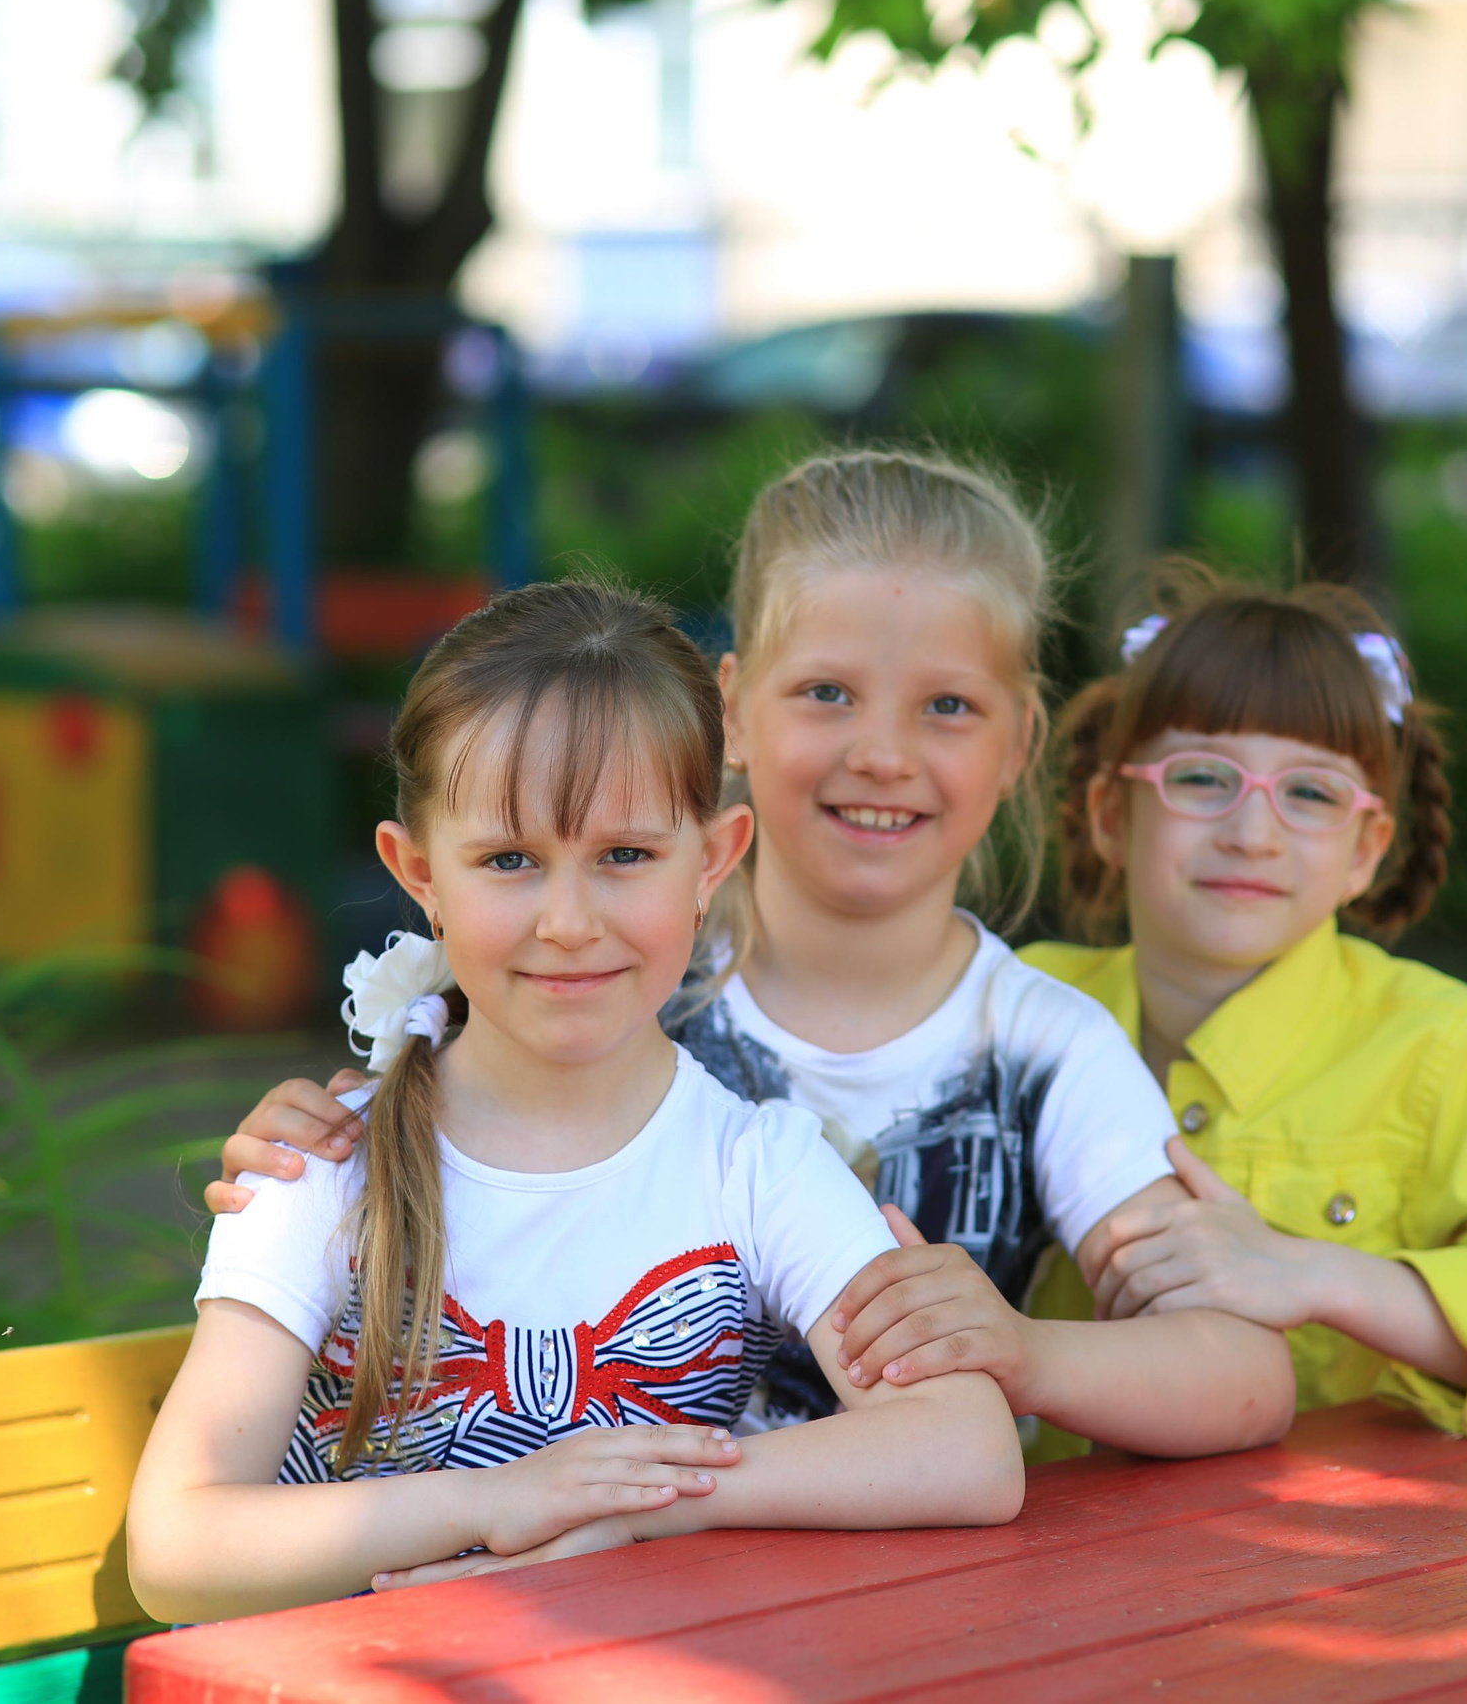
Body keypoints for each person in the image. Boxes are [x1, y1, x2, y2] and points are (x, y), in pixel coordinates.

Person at [204, 451, 1296, 1460]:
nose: (881, 754)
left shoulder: (1044, 1048)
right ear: (729, 712)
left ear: (1017, 745)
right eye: (827, 693)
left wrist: (1022, 1352)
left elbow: (1243, 1375)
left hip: (878, 1582)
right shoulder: (600, 975)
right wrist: (304, 1136)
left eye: (948, 707)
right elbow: (398, 1147)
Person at [126, 579, 1024, 1624]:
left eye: (625, 857)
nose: (566, 919)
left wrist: (643, 1508)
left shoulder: (755, 1164)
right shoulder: (324, 1168)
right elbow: (178, 1546)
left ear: (714, 860)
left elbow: (968, 1446)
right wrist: (503, 1499)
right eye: (509, 861)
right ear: (418, 873)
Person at [1020, 574, 1467, 1447]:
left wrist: (1316, 1274)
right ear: (1108, 813)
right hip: (1036, 1557)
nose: (1253, 831)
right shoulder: (1016, 1005)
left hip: (1339, 1565)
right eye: (1202, 777)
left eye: (1311, 793)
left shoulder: (1439, 1044)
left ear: (1366, 850)